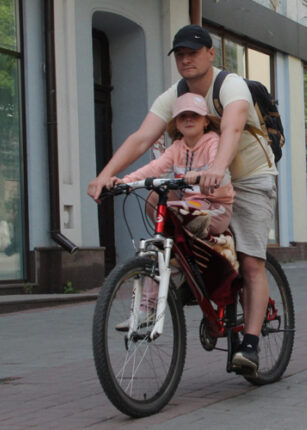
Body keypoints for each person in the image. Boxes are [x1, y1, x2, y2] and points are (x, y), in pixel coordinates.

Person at [87, 25, 278, 375]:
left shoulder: (230, 85)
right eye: (180, 54)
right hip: (201, 179)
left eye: (193, 51)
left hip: (249, 177)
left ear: (210, 54)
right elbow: (143, 138)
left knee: (251, 262)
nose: (186, 59)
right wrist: (107, 175)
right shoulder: (175, 96)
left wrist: (217, 169)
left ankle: (250, 345)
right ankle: (193, 289)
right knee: (177, 225)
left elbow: (233, 128)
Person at [117, 93, 234, 238]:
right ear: (177, 124)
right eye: (182, 116)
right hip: (188, 206)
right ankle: (168, 242)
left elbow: (215, 166)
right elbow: (155, 168)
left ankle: (181, 241)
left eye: (195, 115)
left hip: (215, 208)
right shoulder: (177, 148)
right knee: (155, 197)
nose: (188, 119)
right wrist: (125, 182)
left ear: (206, 122)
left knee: (187, 211)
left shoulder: (212, 142)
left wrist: (199, 175)